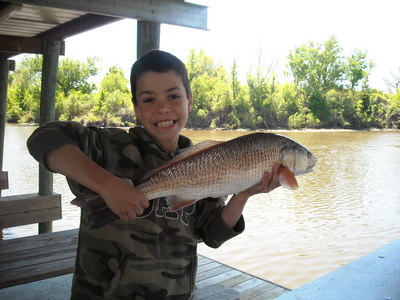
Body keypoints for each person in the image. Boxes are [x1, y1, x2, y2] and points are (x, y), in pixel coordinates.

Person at [27, 50, 280, 300]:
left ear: (189, 101)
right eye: (149, 100)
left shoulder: (210, 163)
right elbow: (43, 138)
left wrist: (243, 194)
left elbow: (212, 235)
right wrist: (107, 185)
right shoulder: (108, 149)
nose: (163, 108)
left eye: (173, 96)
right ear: (136, 108)